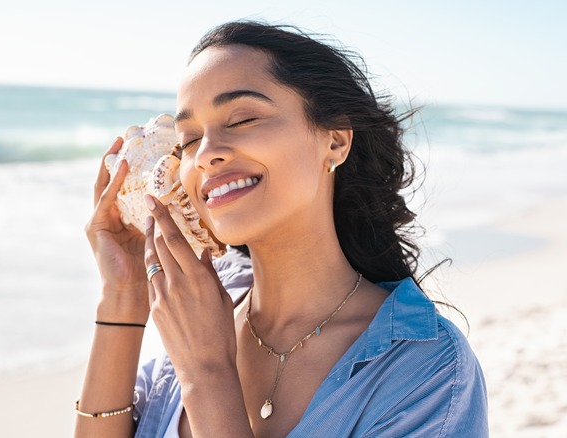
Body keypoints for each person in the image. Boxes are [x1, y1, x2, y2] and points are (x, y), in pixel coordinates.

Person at [76, 21, 488, 437]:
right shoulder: (203, 310)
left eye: (242, 119)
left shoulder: (426, 370)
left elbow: (203, 370)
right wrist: (123, 298)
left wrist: (208, 374)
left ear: (336, 142)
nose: (206, 155)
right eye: (189, 139)